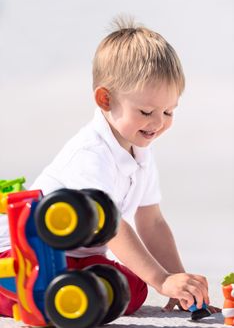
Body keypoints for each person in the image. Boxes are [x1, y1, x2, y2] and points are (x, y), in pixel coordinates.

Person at [0, 16, 220, 317]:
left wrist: (177, 281)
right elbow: (111, 226)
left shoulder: (141, 152)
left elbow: (152, 222)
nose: (158, 123)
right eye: (146, 111)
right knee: (43, 296)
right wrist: (161, 279)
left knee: (134, 288)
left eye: (169, 111)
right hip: (26, 254)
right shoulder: (91, 153)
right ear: (105, 99)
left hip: (75, 259)